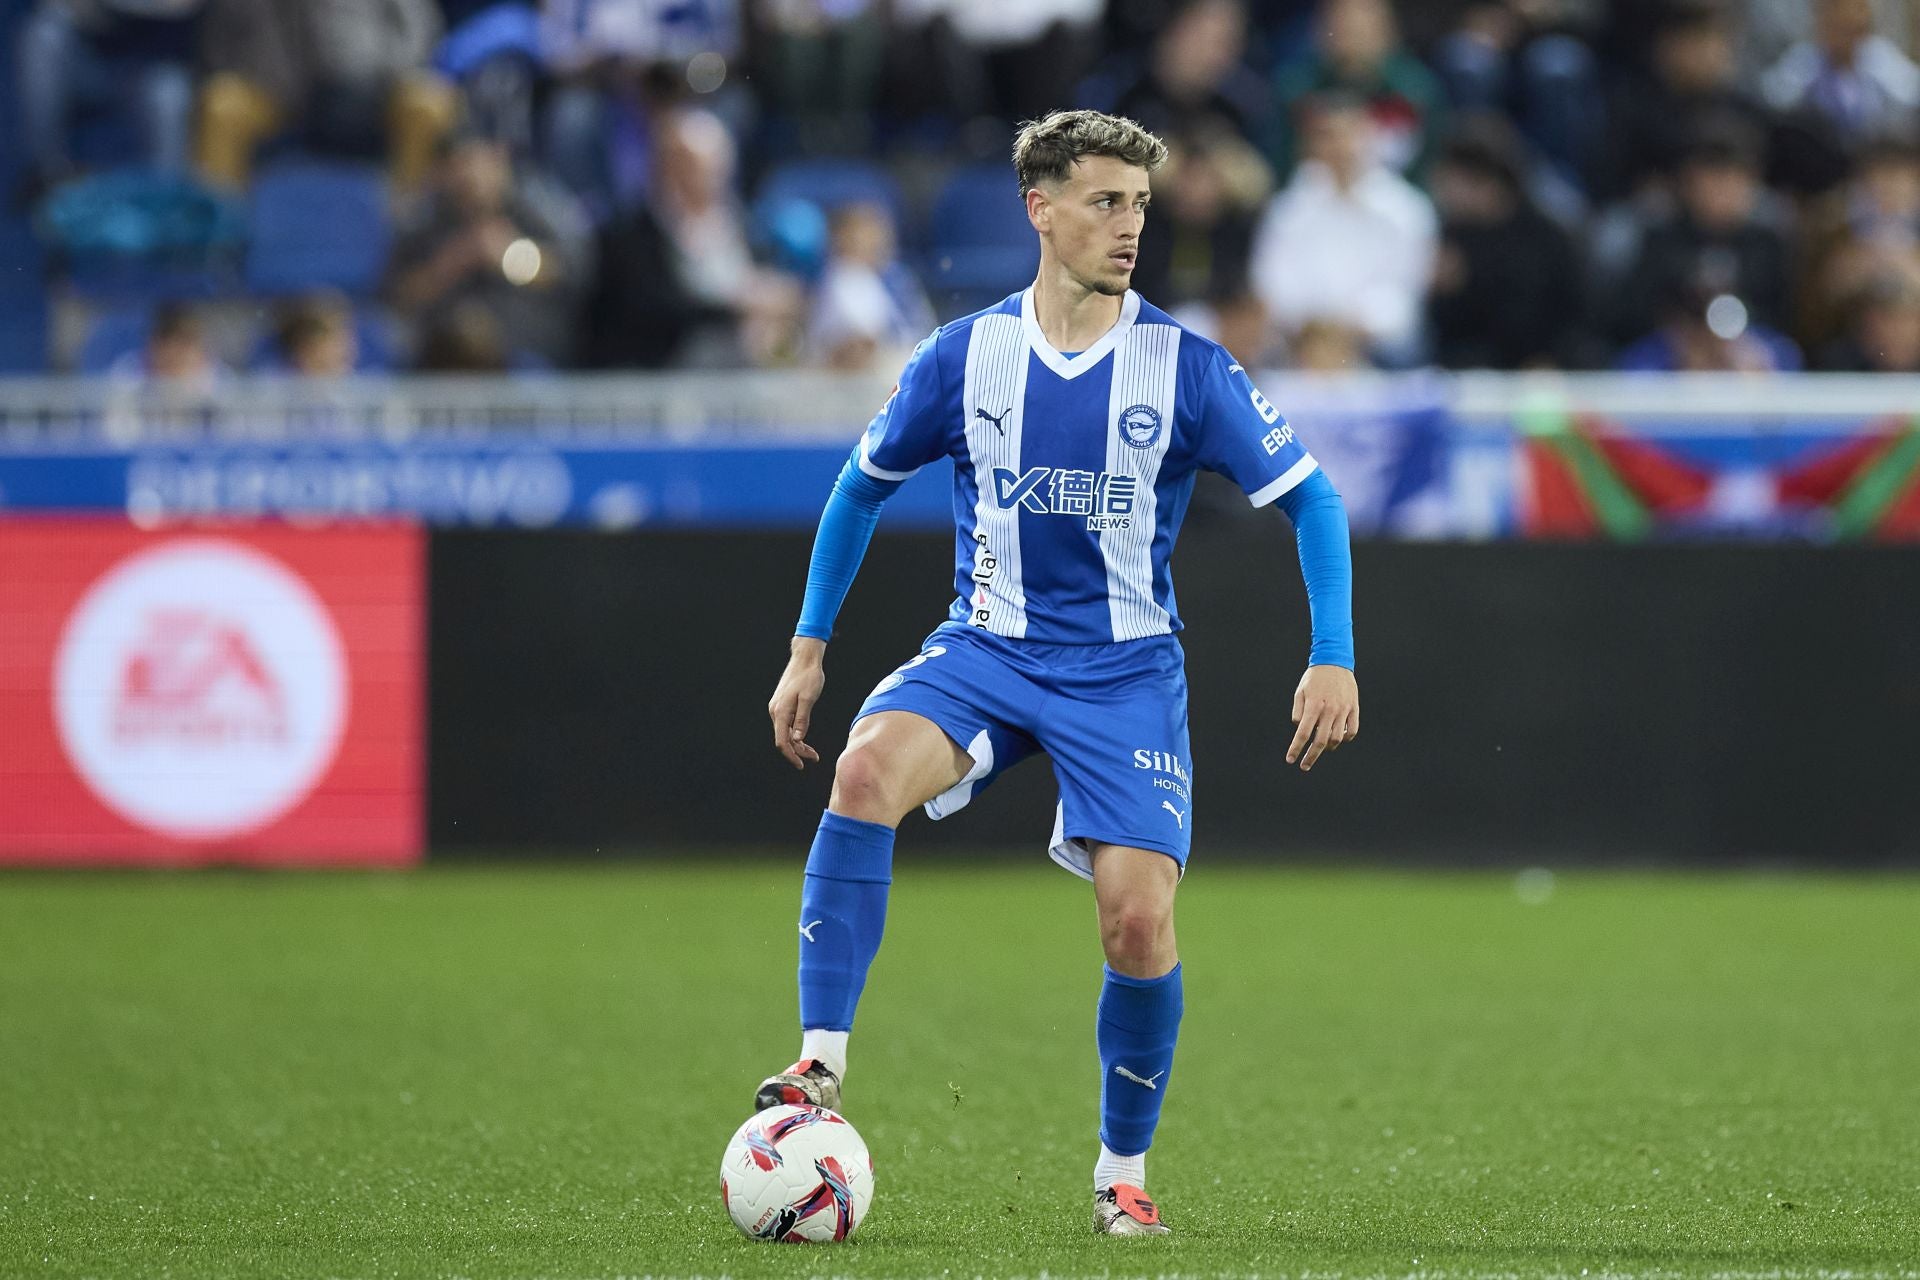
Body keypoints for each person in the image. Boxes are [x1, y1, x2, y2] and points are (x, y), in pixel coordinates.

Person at [758, 110, 1359, 1237]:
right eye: (1104, 200)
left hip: (1124, 671)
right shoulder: (962, 355)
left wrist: (1333, 653)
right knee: (865, 767)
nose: (1129, 224)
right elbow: (859, 487)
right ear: (1040, 208)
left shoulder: (1186, 366)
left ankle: (1119, 1173)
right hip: (985, 646)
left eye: (1139, 202)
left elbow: (1314, 498)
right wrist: (807, 649)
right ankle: (816, 1064)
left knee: (1138, 925)